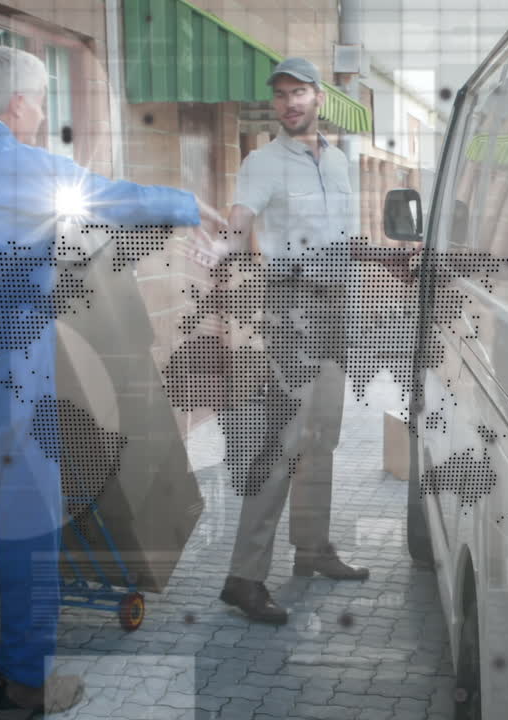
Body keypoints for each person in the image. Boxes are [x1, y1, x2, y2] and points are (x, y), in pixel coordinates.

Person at [0, 46, 224, 718]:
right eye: (41, 101)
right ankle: (22, 685)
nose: (42, 115)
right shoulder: (31, 168)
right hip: (2, 379)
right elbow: (116, 199)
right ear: (18, 104)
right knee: (25, 527)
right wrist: (191, 205)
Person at [216, 57, 373, 625]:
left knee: (321, 438)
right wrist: (220, 251)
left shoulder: (338, 164)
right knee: (281, 444)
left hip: (335, 310)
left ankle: (312, 549)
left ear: (319, 98)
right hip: (291, 310)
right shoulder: (262, 162)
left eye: (299, 92)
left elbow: (344, 239)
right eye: (281, 95)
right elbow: (239, 223)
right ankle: (244, 576)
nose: (290, 103)